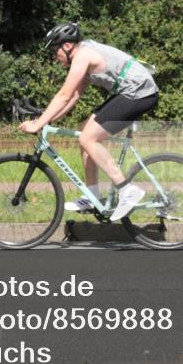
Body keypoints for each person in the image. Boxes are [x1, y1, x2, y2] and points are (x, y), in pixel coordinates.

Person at [18, 22, 159, 221]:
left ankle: (127, 189)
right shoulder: (83, 54)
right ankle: (92, 196)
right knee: (84, 130)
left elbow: (64, 95)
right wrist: (48, 119)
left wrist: (39, 123)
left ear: (67, 46)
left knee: (88, 139)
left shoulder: (82, 56)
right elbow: (74, 95)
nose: (54, 57)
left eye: (54, 51)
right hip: (131, 91)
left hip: (140, 92)